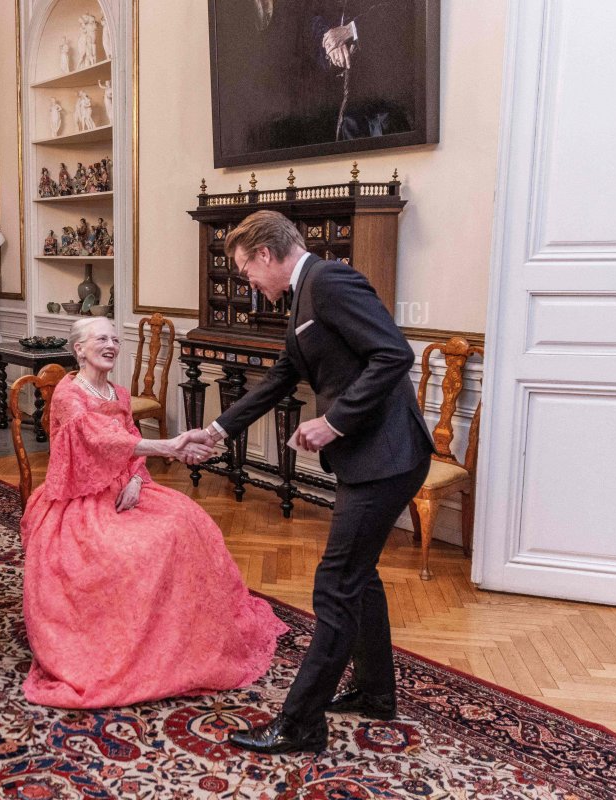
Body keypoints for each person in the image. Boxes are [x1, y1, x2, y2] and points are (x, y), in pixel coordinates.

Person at [182, 210, 433, 754]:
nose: (248, 282)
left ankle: (299, 724)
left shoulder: (329, 281)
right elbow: (281, 378)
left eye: (247, 270)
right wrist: (218, 431)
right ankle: (375, 693)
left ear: (265, 254)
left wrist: (334, 421)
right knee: (359, 578)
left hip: (387, 457)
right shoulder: (304, 294)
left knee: (336, 585)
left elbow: (394, 354)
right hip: (371, 458)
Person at [21, 316, 289, 708]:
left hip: (125, 486)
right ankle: (134, 644)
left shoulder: (118, 393)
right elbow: (99, 440)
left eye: (115, 339)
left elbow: (129, 441)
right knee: (133, 550)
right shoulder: (68, 394)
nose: (111, 345)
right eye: (101, 339)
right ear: (79, 349)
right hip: (80, 498)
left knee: (187, 522)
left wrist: (134, 480)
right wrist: (168, 447)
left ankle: (183, 636)